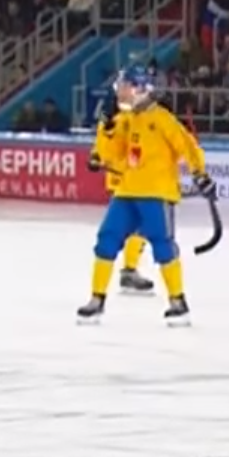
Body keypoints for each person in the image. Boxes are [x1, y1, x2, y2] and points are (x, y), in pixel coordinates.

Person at [76, 64, 215, 325]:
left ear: (141, 89)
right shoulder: (125, 119)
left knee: (162, 245)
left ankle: (178, 301)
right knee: (106, 240)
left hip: (156, 193)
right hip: (127, 190)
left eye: (125, 87)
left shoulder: (162, 119)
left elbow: (187, 146)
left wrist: (200, 173)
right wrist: (106, 129)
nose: (120, 92)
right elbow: (112, 152)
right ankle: (97, 299)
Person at [89, 84, 155, 296]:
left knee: (134, 226)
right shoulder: (124, 117)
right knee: (137, 225)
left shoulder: (116, 115)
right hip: (127, 176)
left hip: (125, 175)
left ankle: (126, 268)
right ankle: (128, 269)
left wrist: (96, 156)